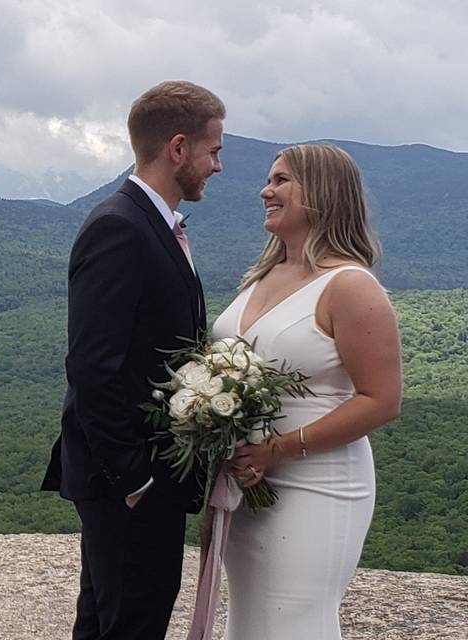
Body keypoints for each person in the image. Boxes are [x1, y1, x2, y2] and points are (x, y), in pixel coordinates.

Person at [41, 80, 225, 640]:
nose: (217, 165)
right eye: (213, 150)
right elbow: (92, 366)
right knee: (132, 624)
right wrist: (135, 478)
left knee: (105, 623)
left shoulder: (150, 223)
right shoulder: (121, 226)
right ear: (178, 149)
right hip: (128, 482)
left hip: (133, 481)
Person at [210, 144, 403, 639]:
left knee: (296, 623)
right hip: (249, 483)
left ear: (321, 193)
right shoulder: (263, 275)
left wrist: (277, 449)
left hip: (319, 483)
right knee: (250, 623)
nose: (265, 191)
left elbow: (381, 401)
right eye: (269, 179)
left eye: (281, 181)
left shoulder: (350, 286)